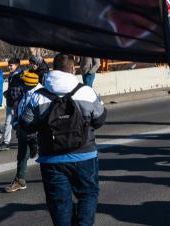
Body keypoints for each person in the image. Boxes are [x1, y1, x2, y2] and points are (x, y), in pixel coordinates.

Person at [20, 53, 107, 226]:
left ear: (53, 69)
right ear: (72, 69)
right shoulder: (86, 92)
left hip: (52, 159)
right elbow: (99, 119)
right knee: (87, 196)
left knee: (59, 204)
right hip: (84, 156)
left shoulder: (38, 95)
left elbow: (26, 123)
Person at [4, 66, 43, 193]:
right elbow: (18, 109)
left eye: (23, 84)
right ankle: (20, 180)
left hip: (37, 133)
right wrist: (16, 123)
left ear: (29, 85)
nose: (20, 86)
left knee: (47, 156)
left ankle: (57, 177)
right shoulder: (25, 93)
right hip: (23, 130)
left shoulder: (40, 95)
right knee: (21, 155)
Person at [0, 58, 24, 151]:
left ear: (17, 65)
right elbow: (12, 89)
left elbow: (20, 90)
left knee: (20, 123)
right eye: (8, 65)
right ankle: (6, 142)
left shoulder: (21, 75)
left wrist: (12, 95)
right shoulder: (11, 75)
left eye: (11, 65)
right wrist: (8, 93)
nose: (9, 67)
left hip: (18, 103)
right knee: (8, 122)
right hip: (11, 102)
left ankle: (29, 140)